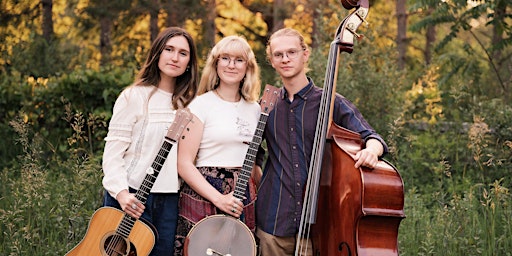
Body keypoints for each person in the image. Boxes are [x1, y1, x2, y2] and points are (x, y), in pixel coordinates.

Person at [254, 28, 388, 255]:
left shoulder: (331, 102)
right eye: (278, 55)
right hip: (273, 224)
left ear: (305, 54)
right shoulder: (266, 106)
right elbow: (253, 153)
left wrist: (372, 152)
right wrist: (265, 186)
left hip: (322, 227)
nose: (285, 59)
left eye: (292, 52)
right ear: (272, 61)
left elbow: (373, 138)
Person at [101, 26, 199, 255]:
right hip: (131, 196)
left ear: (189, 62)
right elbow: (113, 153)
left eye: (183, 53)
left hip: (170, 201)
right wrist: (122, 194)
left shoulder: (190, 105)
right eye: (169, 49)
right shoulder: (134, 96)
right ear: (157, 53)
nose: (175, 58)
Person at [173, 35, 262, 255]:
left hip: (242, 197)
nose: (231, 65)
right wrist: (218, 198)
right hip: (205, 194)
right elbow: (183, 163)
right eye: (225, 58)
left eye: (239, 60)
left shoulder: (256, 109)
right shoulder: (201, 105)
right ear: (216, 64)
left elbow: (255, 163)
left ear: (248, 67)